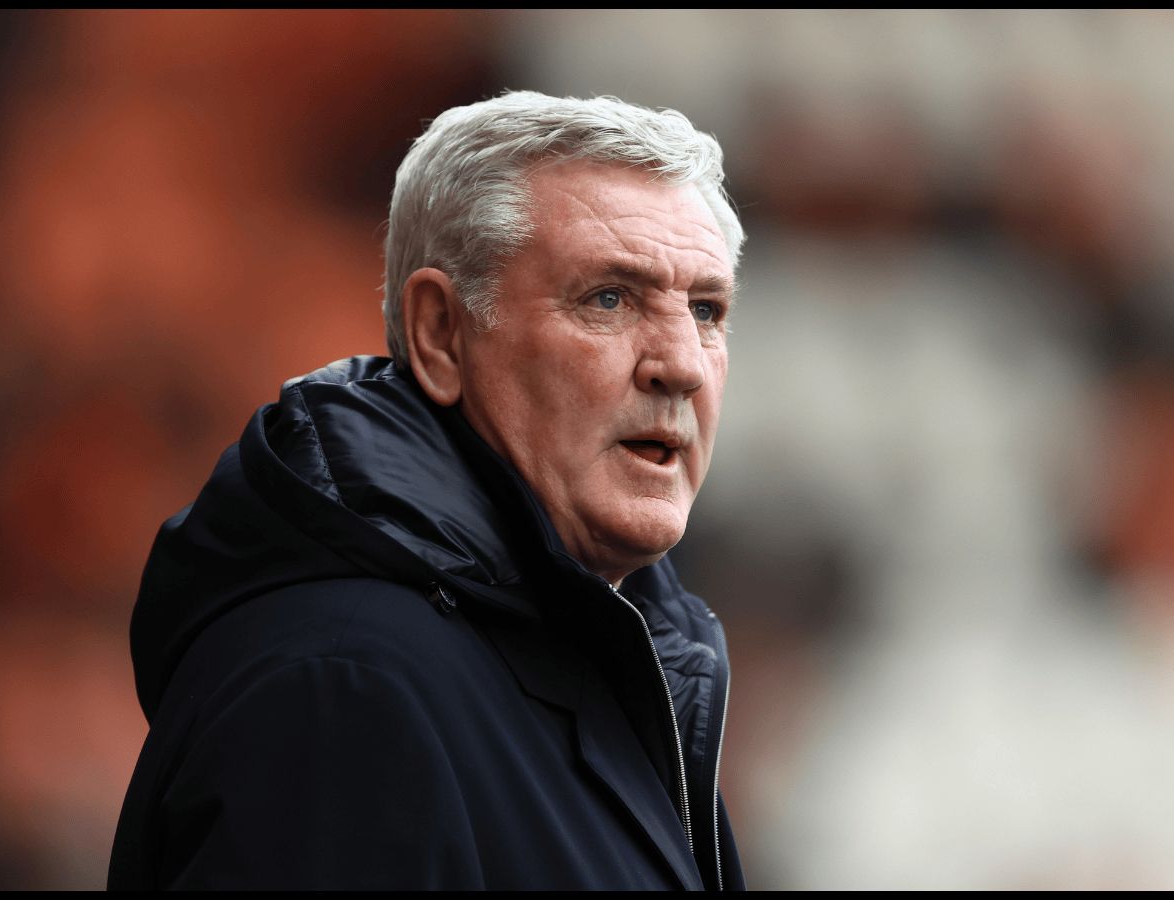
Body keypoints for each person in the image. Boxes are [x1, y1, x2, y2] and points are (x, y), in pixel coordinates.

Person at [107, 90, 747, 891]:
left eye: (705, 310)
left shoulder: (619, 665)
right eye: (608, 298)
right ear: (441, 332)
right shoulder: (340, 688)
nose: (682, 364)